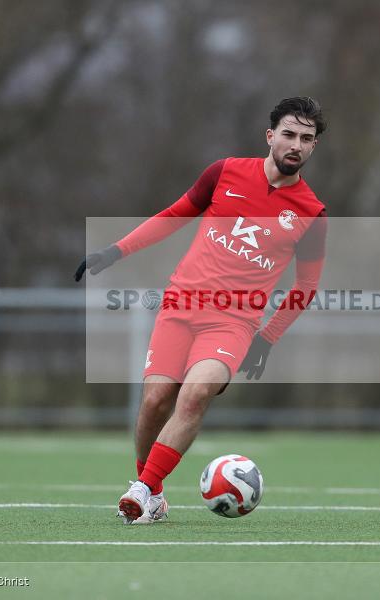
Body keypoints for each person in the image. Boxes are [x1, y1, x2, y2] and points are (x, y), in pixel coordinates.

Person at [75, 97, 328, 524]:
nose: (296, 145)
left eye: (306, 138)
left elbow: (307, 286)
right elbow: (174, 215)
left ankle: (141, 489)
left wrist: (267, 337)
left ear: (313, 146)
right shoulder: (224, 172)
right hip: (180, 305)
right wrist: (116, 251)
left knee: (194, 394)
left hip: (234, 322)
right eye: (289, 134)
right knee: (155, 401)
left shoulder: (311, 213)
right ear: (270, 136)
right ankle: (153, 493)